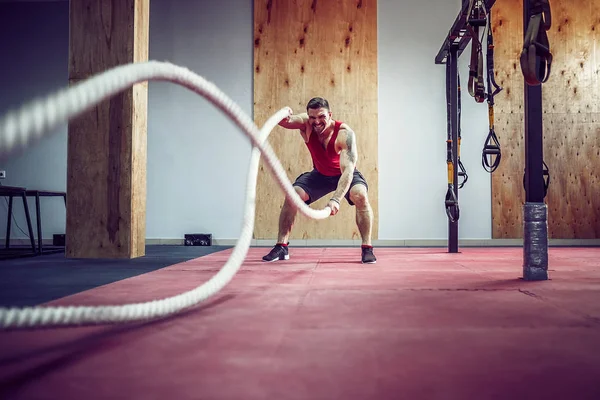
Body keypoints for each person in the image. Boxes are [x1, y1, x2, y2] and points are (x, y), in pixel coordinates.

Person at [262, 97, 377, 264]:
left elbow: (348, 171)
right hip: (320, 174)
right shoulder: (306, 123)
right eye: (312, 117)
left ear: (330, 114)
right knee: (293, 195)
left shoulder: (344, 134)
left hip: (343, 174)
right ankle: (282, 247)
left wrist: (336, 199)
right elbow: (284, 122)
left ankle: (367, 248)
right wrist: (283, 113)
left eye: (321, 117)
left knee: (360, 195)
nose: (316, 122)